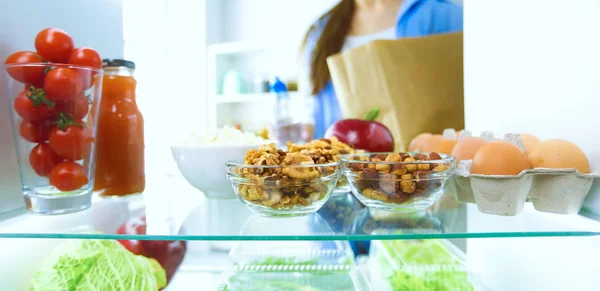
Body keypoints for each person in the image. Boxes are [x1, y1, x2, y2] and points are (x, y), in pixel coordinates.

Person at [303, 0, 463, 255]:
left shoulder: (442, 14)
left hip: (416, 198)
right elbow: (316, 121)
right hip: (340, 204)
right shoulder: (322, 31)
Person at [301, 0, 464, 139]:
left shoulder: (443, 15)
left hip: (421, 168)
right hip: (346, 170)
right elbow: (316, 116)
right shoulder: (320, 31)